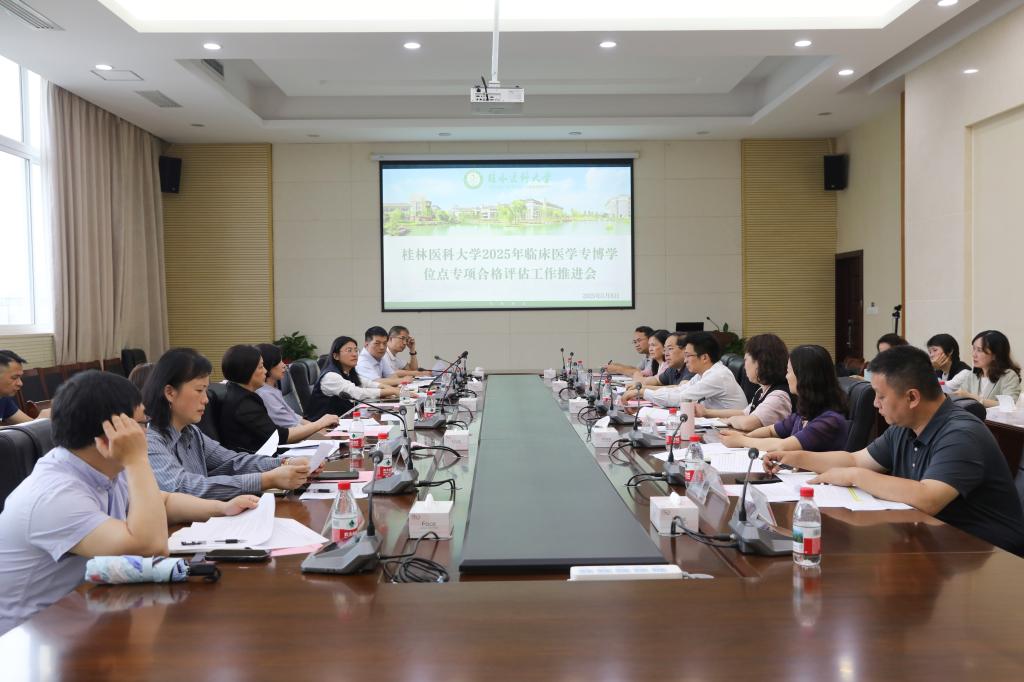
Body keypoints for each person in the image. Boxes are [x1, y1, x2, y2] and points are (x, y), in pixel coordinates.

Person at [0, 370, 260, 634]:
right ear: (112, 434)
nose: (147, 432)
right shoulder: (55, 495)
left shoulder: (100, 465)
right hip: (27, 637)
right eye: (142, 423)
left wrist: (221, 508)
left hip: (81, 613)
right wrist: (137, 460)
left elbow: (163, 502)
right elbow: (150, 548)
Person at [763, 346, 1024, 555]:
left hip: (986, 553)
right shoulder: (905, 426)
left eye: (881, 396)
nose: (875, 404)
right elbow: (855, 459)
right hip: (933, 540)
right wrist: (795, 457)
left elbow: (928, 497)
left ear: (912, 397)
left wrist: (854, 476)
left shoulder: (962, 434)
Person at [145, 348, 315, 500]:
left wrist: (285, 463)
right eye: (199, 390)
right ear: (170, 392)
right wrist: (266, 480)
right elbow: (184, 487)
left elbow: (234, 461)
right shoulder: (150, 441)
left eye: (206, 390)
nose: (205, 400)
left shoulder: (191, 432)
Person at [721, 344, 848, 452]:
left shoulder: (829, 421)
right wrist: (745, 436)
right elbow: (771, 430)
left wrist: (742, 440)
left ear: (803, 377)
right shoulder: (804, 413)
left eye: (788, 371)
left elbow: (783, 446)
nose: (786, 376)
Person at [217, 344, 338, 453]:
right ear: (247, 371)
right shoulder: (244, 404)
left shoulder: (241, 393)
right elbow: (278, 436)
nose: (265, 371)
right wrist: (320, 423)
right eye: (261, 367)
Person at [623, 332, 747, 409]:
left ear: (704, 357)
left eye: (688, 355)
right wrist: (642, 391)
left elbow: (681, 398)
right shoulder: (703, 374)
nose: (685, 360)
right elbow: (680, 390)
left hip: (731, 429)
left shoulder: (717, 375)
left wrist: (642, 393)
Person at [695, 333, 792, 431]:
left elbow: (748, 423)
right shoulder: (762, 390)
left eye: (746, 360)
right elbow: (744, 413)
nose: (744, 366)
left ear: (760, 362)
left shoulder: (779, 396)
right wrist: (706, 412)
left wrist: (729, 420)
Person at [306, 336, 400, 421]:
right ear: (336, 356)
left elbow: (369, 383)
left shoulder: (348, 372)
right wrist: (391, 391)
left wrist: (393, 390)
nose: (355, 354)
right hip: (322, 428)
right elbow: (356, 393)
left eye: (356, 350)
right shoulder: (330, 377)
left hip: (342, 421)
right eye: (349, 350)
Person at [947, 330, 1021, 406]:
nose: (974, 355)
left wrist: (975, 398)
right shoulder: (972, 375)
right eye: (974, 349)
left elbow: (1009, 405)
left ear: (995, 355)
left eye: (979, 350)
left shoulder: (1008, 376)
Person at [254, 343, 306, 429]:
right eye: (280, 361)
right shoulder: (265, 394)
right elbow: (291, 425)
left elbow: (293, 416)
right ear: (269, 364)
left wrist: (318, 426)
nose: (284, 365)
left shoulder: (271, 389)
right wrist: (320, 426)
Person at [0, 350, 35, 425]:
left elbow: (30, 424)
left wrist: (43, 419)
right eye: (14, 378)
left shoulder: (3, 399)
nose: (20, 383)